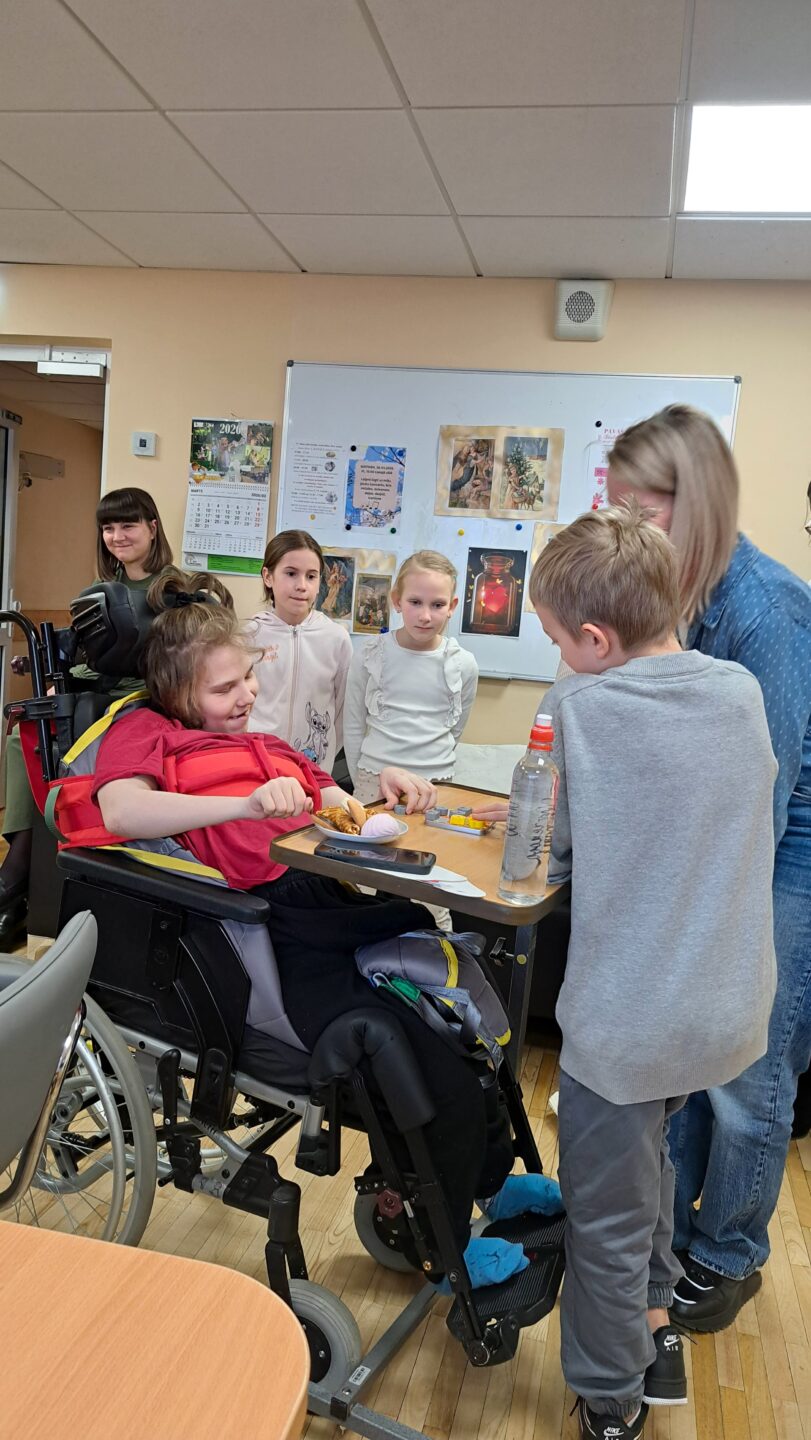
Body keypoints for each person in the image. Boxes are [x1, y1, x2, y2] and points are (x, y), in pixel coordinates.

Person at [89, 568, 561, 1287]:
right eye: (224, 690)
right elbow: (121, 811)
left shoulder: (259, 742)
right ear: (175, 693)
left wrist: (381, 795)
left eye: (248, 679)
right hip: (262, 929)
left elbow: (333, 800)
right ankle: (448, 1237)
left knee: (456, 1007)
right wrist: (245, 806)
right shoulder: (146, 731)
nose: (246, 697)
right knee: (407, 1035)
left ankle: (493, 1181)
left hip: (325, 899)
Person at [515, 504, 776, 1440]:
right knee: (651, 1161)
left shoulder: (577, 709)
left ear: (593, 640)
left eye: (556, 640)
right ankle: (656, 1318)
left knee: (604, 1214)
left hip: (627, 1022)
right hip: (723, 1005)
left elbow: (545, 850)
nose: (556, 657)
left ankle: (609, 1396)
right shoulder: (738, 690)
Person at [607, 406, 811, 1332]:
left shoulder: (766, 609)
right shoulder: (673, 588)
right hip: (719, 837)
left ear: (696, 502)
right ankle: (675, 1234)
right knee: (688, 1056)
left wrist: (698, 901)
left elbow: (761, 787)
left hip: (783, 848)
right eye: (616, 506)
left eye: (640, 509)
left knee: (746, 1072)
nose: (625, 527)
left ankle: (728, 1255)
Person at [0, 486, 173, 942]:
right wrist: (55, 679)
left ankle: (15, 876)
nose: (117, 536)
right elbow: (82, 655)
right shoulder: (95, 592)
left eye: (128, 525)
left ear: (152, 528)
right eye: (109, 528)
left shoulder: (174, 589)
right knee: (25, 736)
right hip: (95, 694)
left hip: (143, 700)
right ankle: (22, 864)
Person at [343, 551, 478, 808]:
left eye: (437, 605)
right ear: (397, 600)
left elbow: (455, 727)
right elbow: (352, 725)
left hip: (437, 782)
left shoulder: (463, 663)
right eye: (415, 602)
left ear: (452, 606)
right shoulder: (370, 654)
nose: (425, 616)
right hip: (374, 779)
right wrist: (359, 778)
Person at [247, 531, 352, 771]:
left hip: (312, 768)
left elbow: (343, 711)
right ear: (268, 576)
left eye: (311, 576)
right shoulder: (249, 636)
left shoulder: (336, 639)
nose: (302, 586)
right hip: (257, 763)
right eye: (291, 573)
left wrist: (323, 757)